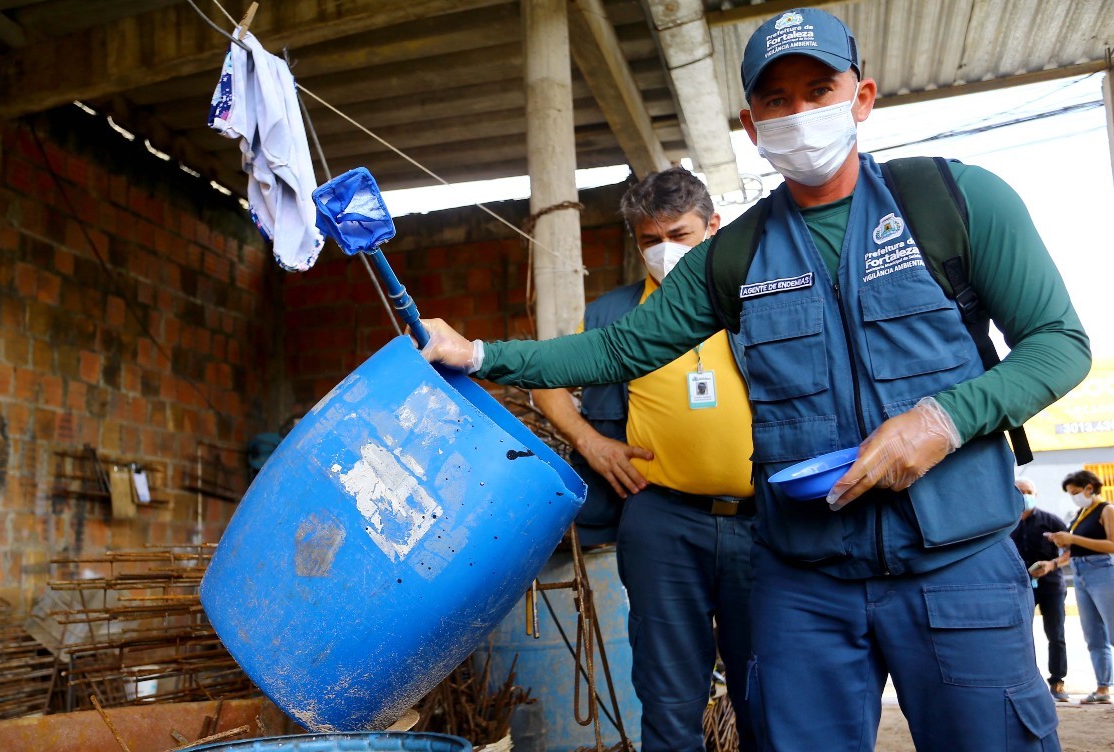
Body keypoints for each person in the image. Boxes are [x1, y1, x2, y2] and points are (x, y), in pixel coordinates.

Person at [418, 7, 1091, 750]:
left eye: (818, 89)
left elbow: (1058, 345)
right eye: (777, 100)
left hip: (956, 563)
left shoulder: (953, 203)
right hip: (807, 581)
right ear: (751, 124)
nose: (799, 113)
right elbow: (617, 352)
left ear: (861, 98)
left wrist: (943, 420)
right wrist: (479, 353)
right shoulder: (734, 257)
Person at [531, 168, 756, 752]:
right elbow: (546, 385)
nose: (665, 251)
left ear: (714, 226)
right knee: (667, 692)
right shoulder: (615, 315)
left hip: (764, 521)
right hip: (661, 521)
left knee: (771, 687)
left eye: (679, 235)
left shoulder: (754, 300)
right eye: (648, 240)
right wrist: (591, 442)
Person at [1037, 470, 1114, 705]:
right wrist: (1054, 562)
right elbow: (1075, 550)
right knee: (1094, 635)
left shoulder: (1106, 510)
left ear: (1090, 487)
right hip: (1080, 572)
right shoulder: (1082, 513)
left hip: (1102, 570)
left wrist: (1073, 539)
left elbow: (1111, 544)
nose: (1074, 497)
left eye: (1076, 492)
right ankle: (1103, 688)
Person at [1011, 477, 1070, 701]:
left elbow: (1071, 551)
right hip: (1018, 585)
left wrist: (1052, 564)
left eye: (1029, 492)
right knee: (1020, 634)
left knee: (1056, 634)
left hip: (1051, 585)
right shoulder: (1005, 523)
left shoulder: (1051, 521)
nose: (1025, 496)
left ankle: (1057, 682)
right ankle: (1024, 682)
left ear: (1036, 495)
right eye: (1020, 491)